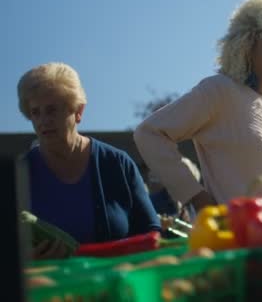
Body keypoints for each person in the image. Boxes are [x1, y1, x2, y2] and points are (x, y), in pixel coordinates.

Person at [134, 0, 262, 211]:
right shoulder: (218, 90)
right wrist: (195, 196)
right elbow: (149, 133)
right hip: (234, 237)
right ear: (246, 50)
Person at [16, 62, 161, 260]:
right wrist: (22, 258)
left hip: (118, 282)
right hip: (47, 286)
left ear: (78, 112)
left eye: (52, 110)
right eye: (35, 112)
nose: (43, 120)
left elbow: (151, 233)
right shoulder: (19, 174)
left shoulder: (117, 163)